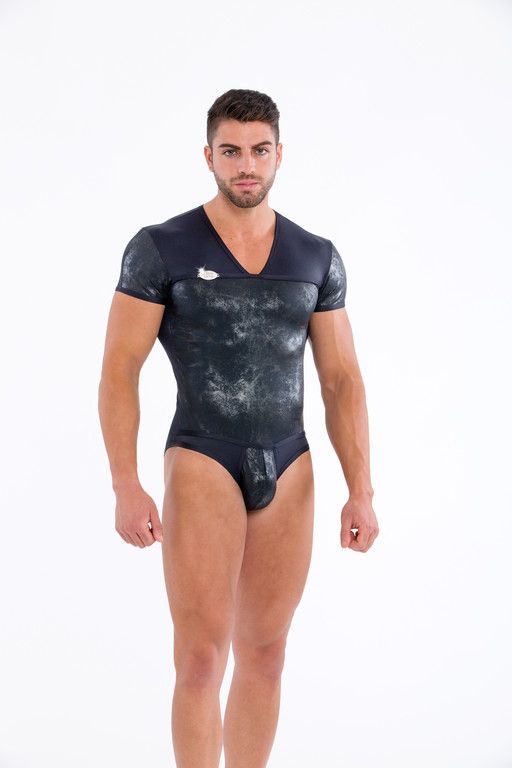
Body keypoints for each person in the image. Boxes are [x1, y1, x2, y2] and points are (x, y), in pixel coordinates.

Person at [98, 88, 378, 768]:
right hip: (203, 455)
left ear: (279, 154)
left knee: (267, 654)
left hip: (290, 462)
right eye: (231, 151)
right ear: (209, 157)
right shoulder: (161, 248)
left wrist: (361, 490)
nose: (245, 165)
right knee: (200, 658)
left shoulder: (315, 256)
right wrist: (126, 484)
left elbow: (342, 380)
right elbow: (119, 370)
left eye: (258, 151)